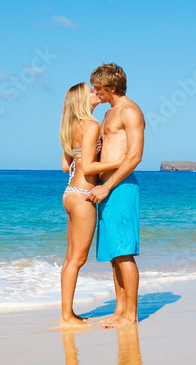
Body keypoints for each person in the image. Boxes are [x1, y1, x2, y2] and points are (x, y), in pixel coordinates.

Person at [59, 83, 125, 328]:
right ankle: (67, 316)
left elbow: (67, 166)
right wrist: (119, 161)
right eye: (90, 90)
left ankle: (67, 313)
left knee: (70, 259)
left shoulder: (70, 126)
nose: (96, 91)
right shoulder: (91, 125)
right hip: (83, 195)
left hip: (69, 193)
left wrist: (87, 155)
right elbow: (88, 168)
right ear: (81, 99)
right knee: (78, 259)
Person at [87, 63, 145, 328]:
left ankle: (131, 316)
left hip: (119, 187)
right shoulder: (109, 113)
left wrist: (108, 186)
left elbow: (134, 156)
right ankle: (120, 311)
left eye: (98, 88)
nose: (94, 91)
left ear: (111, 88)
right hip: (104, 188)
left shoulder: (130, 111)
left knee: (124, 253)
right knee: (113, 255)